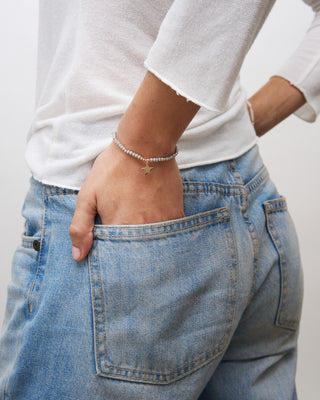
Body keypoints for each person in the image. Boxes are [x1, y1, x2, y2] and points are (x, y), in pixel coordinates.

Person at [0, 0, 319, 398]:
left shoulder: (142, 150)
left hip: (116, 217)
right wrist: (236, 125)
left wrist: (147, 141)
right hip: (248, 196)